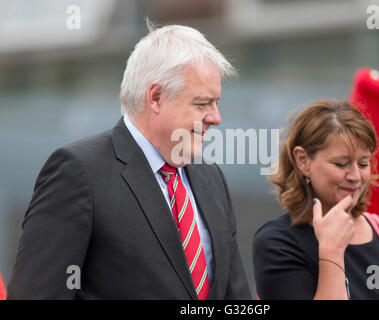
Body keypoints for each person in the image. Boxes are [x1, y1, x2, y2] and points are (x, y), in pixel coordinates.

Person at [7, 22, 251, 300]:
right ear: (156, 98)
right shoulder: (79, 172)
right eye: (201, 104)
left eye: (216, 102)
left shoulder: (211, 178)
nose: (216, 117)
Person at [253, 99, 379, 300]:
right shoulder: (277, 243)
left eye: (363, 163)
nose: (355, 176)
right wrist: (331, 253)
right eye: (341, 164)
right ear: (303, 161)